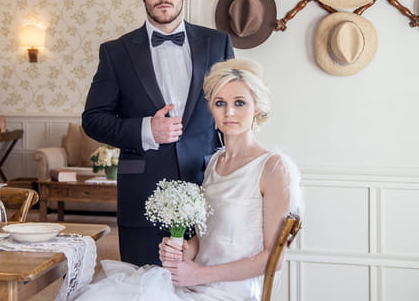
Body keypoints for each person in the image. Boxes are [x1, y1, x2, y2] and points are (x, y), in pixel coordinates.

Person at [75, 59, 303, 301]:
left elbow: (274, 259)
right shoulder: (215, 163)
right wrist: (185, 250)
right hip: (194, 284)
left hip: (231, 292)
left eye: (240, 103)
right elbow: (208, 234)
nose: (229, 112)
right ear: (211, 110)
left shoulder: (273, 167)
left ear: (257, 107)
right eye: (220, 103)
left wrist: (199, 274)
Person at [82, 0, 234, 266]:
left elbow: (232, 117)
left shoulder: (218, 44)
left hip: (208, 195)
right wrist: (145, 129)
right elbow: (93, 119)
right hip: (142, 199)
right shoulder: (116, 52)